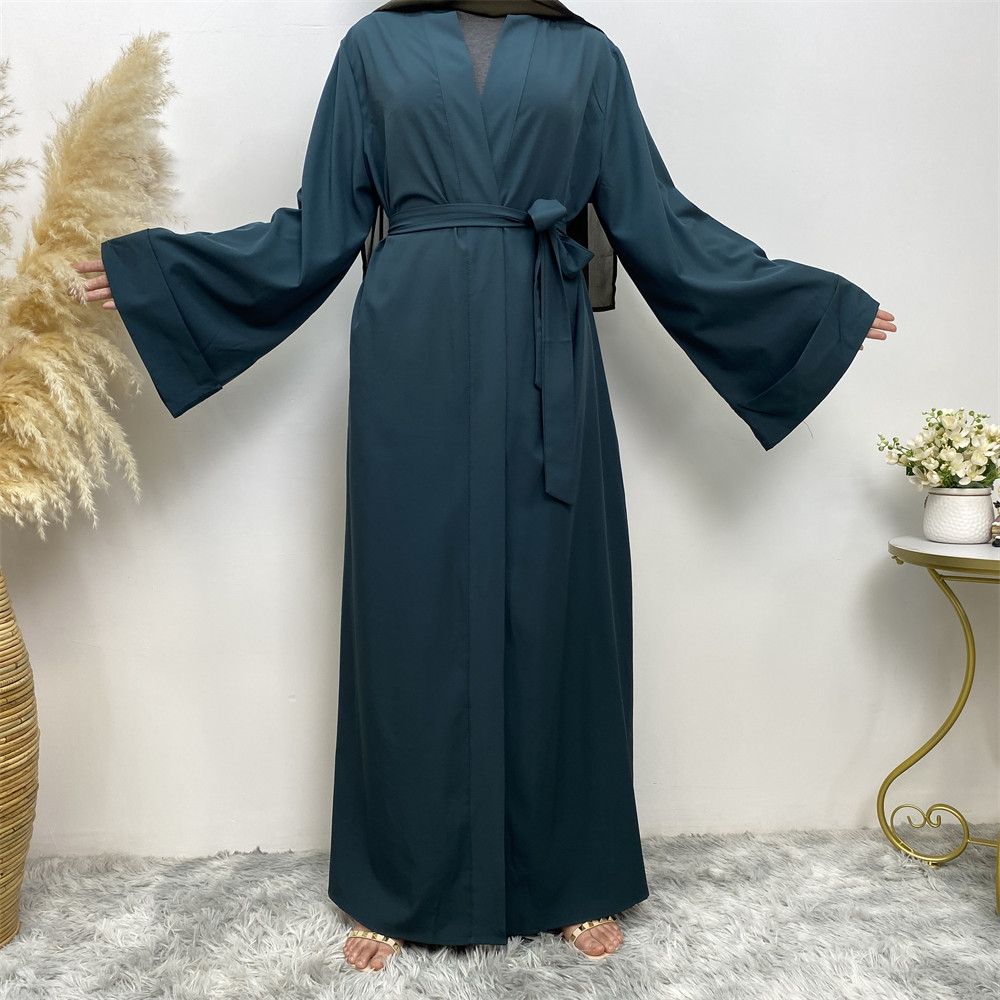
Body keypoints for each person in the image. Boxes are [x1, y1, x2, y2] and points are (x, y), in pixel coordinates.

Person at [71, 0, 895, 973]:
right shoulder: (374, 46)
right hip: (411, 348)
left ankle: (572, 877)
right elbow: (316, 228)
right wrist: (160, 279)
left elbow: (658, 221)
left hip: (547, 351)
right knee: (409, 610)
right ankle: (400, 882)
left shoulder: (588, 54)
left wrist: (809, 313)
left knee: (557, 604)